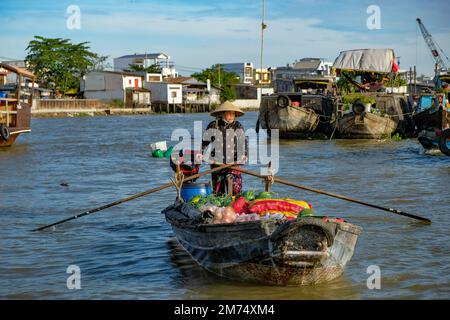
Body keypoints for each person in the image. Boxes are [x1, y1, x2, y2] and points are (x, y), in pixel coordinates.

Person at [200, 101, 248, 195]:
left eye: (233, 114)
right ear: (222, 114)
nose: (231, 116)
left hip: (234, 163)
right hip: (217, 163)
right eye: (229, 114)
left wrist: (244, 155)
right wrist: (201, 153)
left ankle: (234, 205)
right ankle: (220, 206)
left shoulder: (237, 126)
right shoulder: (213, 125)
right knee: (218, 191)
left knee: (235, 190)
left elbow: (243, 143)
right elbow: (205, 143)